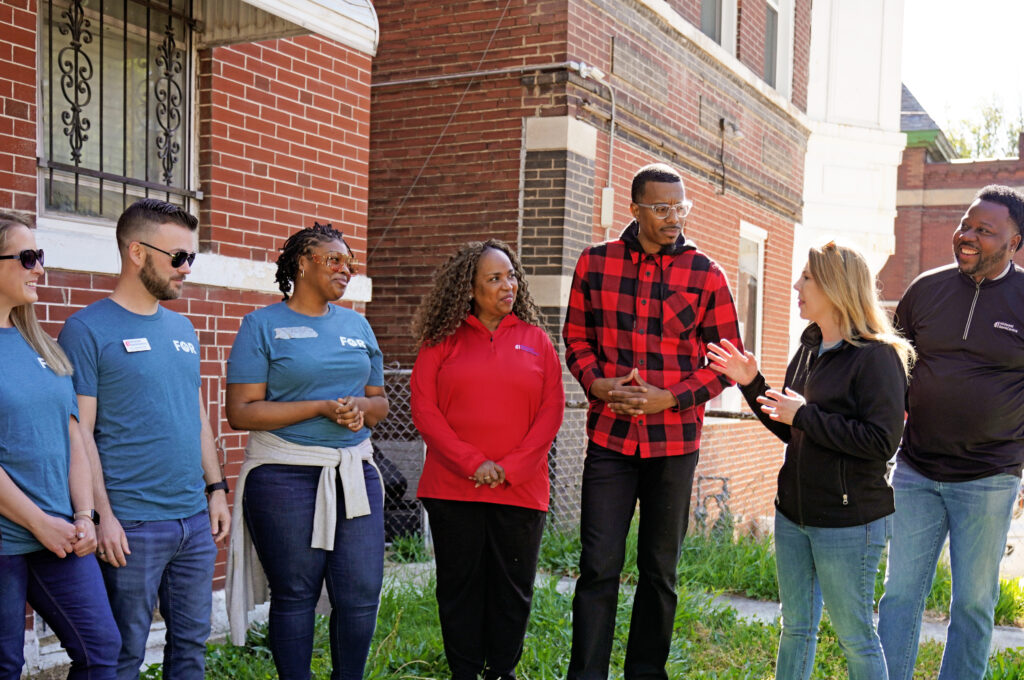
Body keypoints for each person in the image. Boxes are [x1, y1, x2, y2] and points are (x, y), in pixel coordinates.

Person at [562, 163, 743, 679]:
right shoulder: (595, 263)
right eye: (660, 208)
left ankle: (645, 673)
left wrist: (673, 397)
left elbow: (727, 361)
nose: (672, 218)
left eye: (679, 208)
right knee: (598, 568)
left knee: (660, 572)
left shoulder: (706, 273)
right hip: (610, 442)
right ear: (636, 208)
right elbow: (576, 338)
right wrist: (597, 384)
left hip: (674, 443)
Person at [707, 242, 913, 679]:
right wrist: (751, 383)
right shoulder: (809, 348)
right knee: (795, 628)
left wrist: (805, 414)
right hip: (794, 514)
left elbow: (881, 441)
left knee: (855, 636)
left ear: (837, 287)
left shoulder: (877, 357)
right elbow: (792, 428)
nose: (796, 285)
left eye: (807, 278)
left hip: (848, 520)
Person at [57, 199, 231, 680]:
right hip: (131, 526)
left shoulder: (183, 328)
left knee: (191, 648)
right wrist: (102, 516)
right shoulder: (87, 330)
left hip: (192, 522)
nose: (187, 268)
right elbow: (81, 434)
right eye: (178, 257)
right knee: (120, 654)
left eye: (192, 257)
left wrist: (215, 490)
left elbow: (193, 411)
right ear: (137, 252)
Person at [225, 222, 388, 680]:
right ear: (303, 263)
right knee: (295, 591)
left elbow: (380, 402)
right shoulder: (262, 326)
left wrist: (360, 408)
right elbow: (241, 411)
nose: (345, 270)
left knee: (360, 592)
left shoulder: (358, 324)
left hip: (354, 471)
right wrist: (318, 406)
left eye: (350, 263)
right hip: (284, 474)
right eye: (334, 260)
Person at [877, 185, 1024, 680]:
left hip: (989, 477)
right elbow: (894, 369)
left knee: (974, 603)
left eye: (985, 230)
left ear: (1014, 242)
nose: (968, 236)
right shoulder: (925, 289)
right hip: (916, 470)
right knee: (899, 594)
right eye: (966, 225)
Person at [409, 239, 564, 680]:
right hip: (453, 488)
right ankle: (463, 671)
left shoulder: (537, 341)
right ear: (469, 290)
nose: (507, 285)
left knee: (512, 592)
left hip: (521, 490)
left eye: (511, 276)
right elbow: (425, 408)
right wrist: (472, 462)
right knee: (460, 589)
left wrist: (511, 468)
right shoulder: (441, 341)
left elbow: (551, 410)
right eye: (494, 279)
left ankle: (501, 672)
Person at [0, 212, 120, 679]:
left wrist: (83, 515)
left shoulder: (40, 345)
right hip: (13, 536)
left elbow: (72, 434)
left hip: (59, 533)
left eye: (40, 257)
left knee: (101, 649)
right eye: (28, 257)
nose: (39, 269)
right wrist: (38, 523)